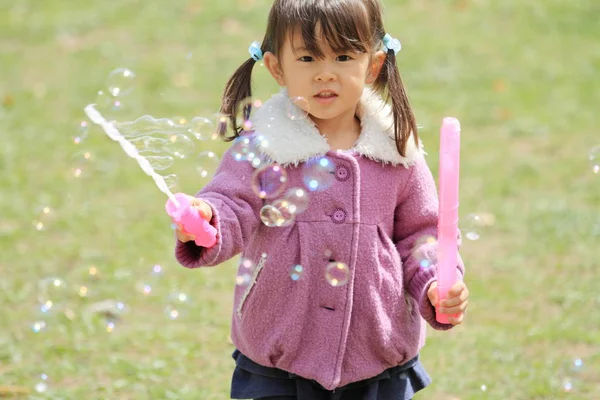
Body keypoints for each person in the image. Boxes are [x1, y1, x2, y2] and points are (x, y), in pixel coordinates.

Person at [173, 0, 469, 399]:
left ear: (374, 63)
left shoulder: (398, 152)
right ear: (277, 68)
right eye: (308, 57)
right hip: (277, 354)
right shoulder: (263, 147)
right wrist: (207, 218)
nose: (325, 73)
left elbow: (423, 235)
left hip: (376, 354)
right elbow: (232, 203)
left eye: (344, 55)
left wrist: (436, 283)